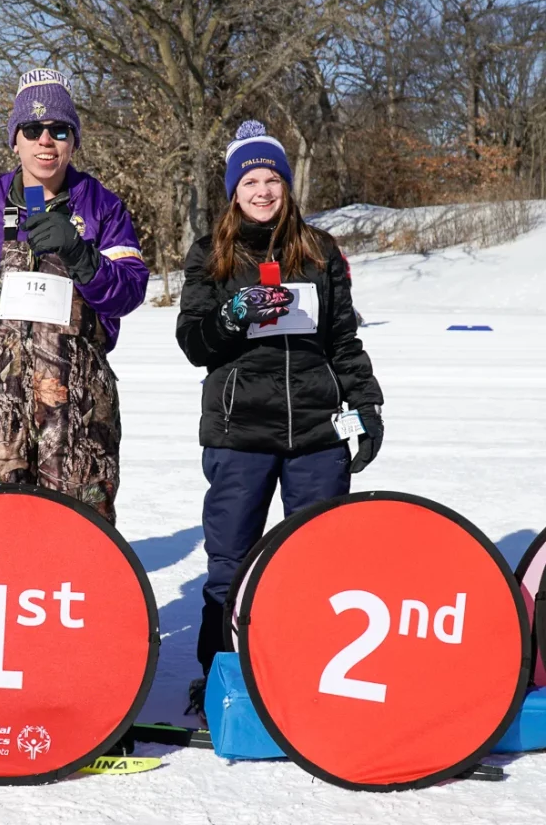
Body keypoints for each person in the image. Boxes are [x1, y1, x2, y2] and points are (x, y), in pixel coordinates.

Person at [175, 121, 384, 720]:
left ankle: (310, 675)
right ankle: (218, 677)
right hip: (240, 432)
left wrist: (365, 406)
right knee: (230, 565)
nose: (263, 191)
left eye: (272, 179)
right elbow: (194, 342)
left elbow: (343, 339)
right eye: (251, 180)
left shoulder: (320, 250)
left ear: (287, 187)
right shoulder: (211, 253)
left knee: (317, 563)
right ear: (233, 191)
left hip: (317, 432)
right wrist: (233, 314)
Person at [0, 69, 148, 525]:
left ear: (73, 140)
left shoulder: (101, 206)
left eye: (59, 130)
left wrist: (80, 254)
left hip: (78, 408)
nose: (45, 141)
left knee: (77, 531)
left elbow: (130, 290)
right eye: (32, 130)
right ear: (15, 139)